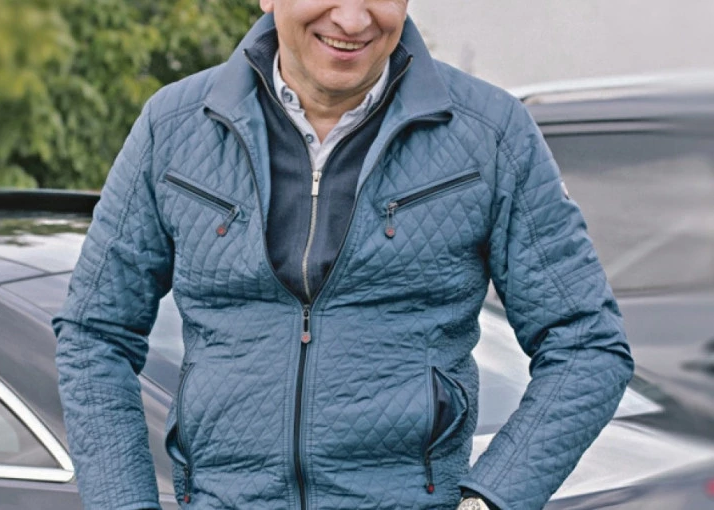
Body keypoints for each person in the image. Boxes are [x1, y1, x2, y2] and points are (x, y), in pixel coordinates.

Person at [53, 1, 634, 509]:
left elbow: (588, 343)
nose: (353, 20)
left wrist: (490, 499)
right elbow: (93, 334)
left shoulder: (491, 134)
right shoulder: (173, 128)